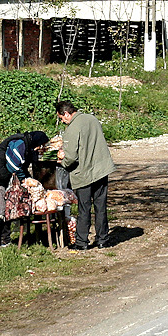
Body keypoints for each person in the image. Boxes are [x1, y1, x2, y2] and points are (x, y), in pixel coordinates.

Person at [55, 101, 115, 250]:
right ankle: (103, 240)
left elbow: (71, 157)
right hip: (101, 169)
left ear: (67, 114)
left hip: (84, 173)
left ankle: (82, 242)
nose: (62, 121)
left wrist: (61, 160)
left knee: (84, 208)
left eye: (62, 118)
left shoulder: (72, 129)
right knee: (100, 206)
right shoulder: (92, 119)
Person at [0, 130, 49, 247]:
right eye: (40, 146)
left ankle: (5, 240)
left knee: (7, 209)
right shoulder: (19, 143)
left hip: (4, 178)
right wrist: (23, 179)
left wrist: (28, 178)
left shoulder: (27, 147)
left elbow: (22, 166)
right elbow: (13, 164)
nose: (39, 148)